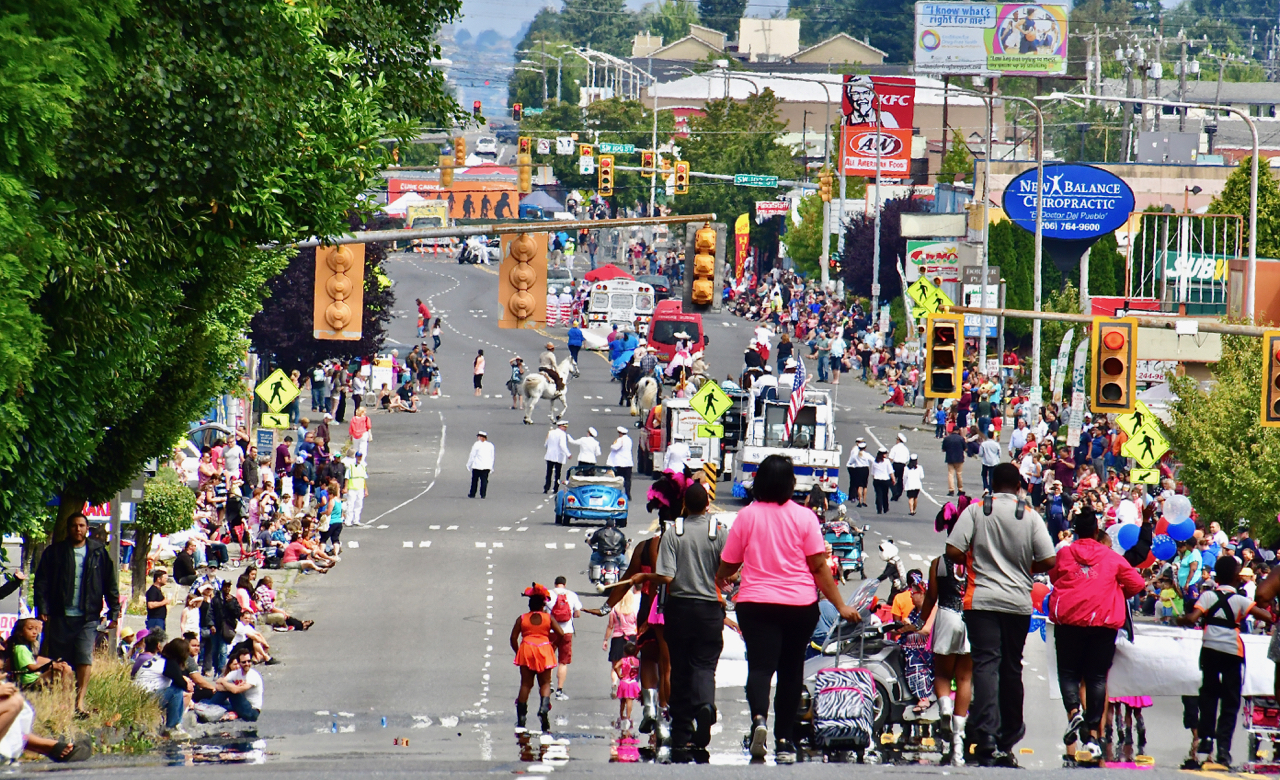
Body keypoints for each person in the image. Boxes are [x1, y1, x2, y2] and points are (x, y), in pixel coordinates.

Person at [715, 455, 860, 763]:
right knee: (791, 671)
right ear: (791, 483)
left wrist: (717, 579)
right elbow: (819, 567)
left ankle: (758, 721)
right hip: (799, 605)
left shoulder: (747, 517)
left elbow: (729, 564)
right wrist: (841, 605)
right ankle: (784, 741)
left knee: (759, 667)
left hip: (755, 604)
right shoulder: (805, 517)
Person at [945, 463, 1056, 766]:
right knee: (1010, 667)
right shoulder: (1030, 517)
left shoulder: (977, 511)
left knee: (985, 664)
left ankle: (985, 733)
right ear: (1020, 486)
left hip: (981, 600)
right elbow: (1048, 558)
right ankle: (1010, 733)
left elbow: (952, 549)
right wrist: (1024, 568)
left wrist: (974, 558)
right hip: (1018, 603)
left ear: (992, 484)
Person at [1047, 506, 1146, 761]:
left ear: (1076, 532)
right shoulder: (1112, 557)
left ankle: (1073, 713)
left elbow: (1054, 576)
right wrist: (1110, 592)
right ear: (1096, 530)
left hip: (1069, 621)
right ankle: (1092, 732)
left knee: (1068, 673)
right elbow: (1137, 583)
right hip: (1102, 623)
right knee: (1096, 678)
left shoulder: (1065, 554)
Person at [639, 482, 724, 753]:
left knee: (680, 668)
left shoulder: (674, 533)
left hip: (679, 610)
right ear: (707, 505)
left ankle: (682, 732)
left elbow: (666, 576)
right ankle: (705, 705)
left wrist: (645, 576)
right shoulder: (719, 532)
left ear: (684, 505)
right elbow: (730, 570)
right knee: (704, 664)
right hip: (710, 610)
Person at [1180, 555, 1271, 767]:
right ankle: (1223, 748)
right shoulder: (1240, 600)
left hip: (1210, 649)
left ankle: (1206, 739)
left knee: (1209, 694)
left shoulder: (1207, 597)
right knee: (1230, 701)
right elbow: (1265, 617)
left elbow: (1193, 618)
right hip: (1233, 652)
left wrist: (1182, 620)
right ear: (1236, 577)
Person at [33, 512, 120, 718]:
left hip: (88, 616)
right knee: (59, 660)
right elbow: (41, 582)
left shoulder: (98, 552)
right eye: (74, 526)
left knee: (83, 656)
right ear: (68, 529)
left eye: (81, 526)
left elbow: (110, 583)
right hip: (60, 613)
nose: (78, 529)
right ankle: (60, 702)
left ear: (87, 528)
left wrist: (114, 610)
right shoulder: (55, 552)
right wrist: (43, 607)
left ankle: (80, 702)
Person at [920, 509, 973, 766]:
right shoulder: (975, 561)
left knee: (941, 674)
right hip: (970, 619)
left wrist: (919, 622)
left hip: (946, 615)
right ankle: (958, 743)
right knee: (964, 678)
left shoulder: (938, 563)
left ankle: (943, 707)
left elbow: (931, 597)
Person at [511, 584, 564, 733]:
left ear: (529, 604)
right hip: (544, 649)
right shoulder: (548, 618)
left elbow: (513, 638)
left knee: (526, 685)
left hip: (527, 649)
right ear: (543, 605)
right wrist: (553, 646)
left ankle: (521, 718)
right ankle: (543, 709)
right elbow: (560, 633)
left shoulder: (522, 619)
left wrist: (519, 652)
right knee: (545, 683)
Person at [8, 618, 72, 691]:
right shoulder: (20, 648)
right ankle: (67, 697)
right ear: (20, 632)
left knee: (65, 667)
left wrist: (56, 663)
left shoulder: (26, 648)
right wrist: (51, 666)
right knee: (64, 669)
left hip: (35, 678)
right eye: (30, 629)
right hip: (29, 683)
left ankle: (68, 696)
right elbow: (32, 667)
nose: (35, 632)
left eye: (36, 629)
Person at [548, 576, 583, 701]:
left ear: (555, 584)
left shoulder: (548, 595)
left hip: (551, 631)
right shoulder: (572, 595)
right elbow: (577, 613)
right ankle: (559, 690)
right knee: (563, 662)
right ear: (565, 584)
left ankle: (549, 683)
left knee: (549, 659)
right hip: (567, 632)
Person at [207, 647, 264, 722]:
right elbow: (217, 686)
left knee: (230, 687)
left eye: (249, 661)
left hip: (252, 711)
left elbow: (236, 690)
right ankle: (210, 706)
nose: (247, 664)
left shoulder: (253, 675)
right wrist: (230, 686)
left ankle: (210, 706)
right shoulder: (236, 673)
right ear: (239, 662)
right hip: (239, 705)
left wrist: (226, 684)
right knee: (229, 688)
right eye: (244, 662)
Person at [613, 641, 641, 729]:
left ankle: (621, 716)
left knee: (623, 700)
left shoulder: (623, 660)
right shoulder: (637, 661)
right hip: (632, 682)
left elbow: (616, 666)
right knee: (630, 701)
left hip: (624, 682)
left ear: (625, 652)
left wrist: (619, 675)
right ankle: (628, 717)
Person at [544, 420, 571, 494]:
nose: (565, 428)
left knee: (549, 473)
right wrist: (568, 454)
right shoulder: (562, 434)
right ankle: (555, 488)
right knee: (557, 473)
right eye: (564, 427)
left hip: (549, 455)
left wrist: (549, 450)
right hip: (558, 456)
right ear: (560, 426)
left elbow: (546, 444)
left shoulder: (551, 432)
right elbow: (562, 445)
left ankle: (546, 487)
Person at [467, 430, 495, 499]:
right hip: (486, 466)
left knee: (474, 480)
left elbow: (472, 455)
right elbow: (492, 457)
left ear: (482, 437)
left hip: (477, 466)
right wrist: (491, 466)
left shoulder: (477, 444)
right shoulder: (490, 445)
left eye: (479, 437)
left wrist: (469, 464)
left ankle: (472, 493)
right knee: (484, 480)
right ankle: (483, 494)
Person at [608, 426, 634, 500]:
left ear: (620, 433)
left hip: (620, 463)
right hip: (628, 462)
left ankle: (618, 493)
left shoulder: (620, 440)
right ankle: (628, 494)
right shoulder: (629, 439)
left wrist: (612, 446)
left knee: (618, 479)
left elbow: (615, 447)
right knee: (628, 480)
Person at [344, 452, 368, 527]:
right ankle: (348, 520)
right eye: (358, 456)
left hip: (360, 488)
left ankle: (356, 520)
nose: (359, 458)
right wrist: (345, 487)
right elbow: (347, 478)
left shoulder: (363, 466)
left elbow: (363, 479)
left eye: (360, 456)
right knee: (350, 504)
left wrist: (366, 490)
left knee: (359, 504)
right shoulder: (350, 466)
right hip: (352, 488)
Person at [941, 426, 967, 495]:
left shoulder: (947, 438)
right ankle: (960, 489)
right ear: (958, 431)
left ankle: (951, 490)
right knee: (959, 474)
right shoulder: (961, 439)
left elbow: (943, 449)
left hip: (950, 458)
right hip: (959, 458)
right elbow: (965, 449)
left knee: (950, 474)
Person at [847, 439, 872, 508]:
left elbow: (850, 462)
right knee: (865, 486)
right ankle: (864, 501)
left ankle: (860, 501)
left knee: (859, 486)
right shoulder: (867, 454)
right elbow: (873, 460)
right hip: (865, 469)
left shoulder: (856, 455)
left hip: (858, 469)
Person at [870, 447, 894, 515]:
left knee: (878, 494)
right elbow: (890, 471)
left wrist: (874, 479)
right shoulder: (886, 461)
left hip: (877, 480)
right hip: (885, 480)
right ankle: (885, 508)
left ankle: (879, 508)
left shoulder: (875, 461)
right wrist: (893, 479)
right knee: (885, 495)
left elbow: (873, 473)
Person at [889, 433, 911, 501]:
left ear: (898, 440)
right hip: (903, 465)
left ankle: (894, 492)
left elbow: (890, 457)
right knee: (901, 480)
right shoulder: (906, 449)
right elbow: (907, 459)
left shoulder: (895, 447)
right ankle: (899, 493)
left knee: (892, 479)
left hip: (895, 464)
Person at [979, 428, 1002, 493]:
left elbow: (980, 454)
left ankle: (986, 487)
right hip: (994, 461)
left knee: (984, 475)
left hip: (985, 461)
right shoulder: (996, 444)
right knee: (992, 476)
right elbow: (999, 453)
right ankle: (990, 488)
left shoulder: (983, 444)